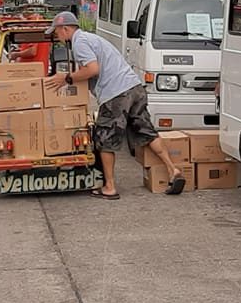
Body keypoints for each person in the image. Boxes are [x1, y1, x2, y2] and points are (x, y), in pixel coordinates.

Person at [44, 11, 184, 199]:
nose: (57, 37)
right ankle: (172, 169)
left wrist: (67, 78)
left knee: (105, 139)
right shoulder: (91, 38)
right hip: (134, 88)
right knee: (147, 131)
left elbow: (92, 69)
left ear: (66, 28)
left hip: (116, 94)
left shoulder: (79, 43)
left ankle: (109, 187)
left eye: (56, 32)